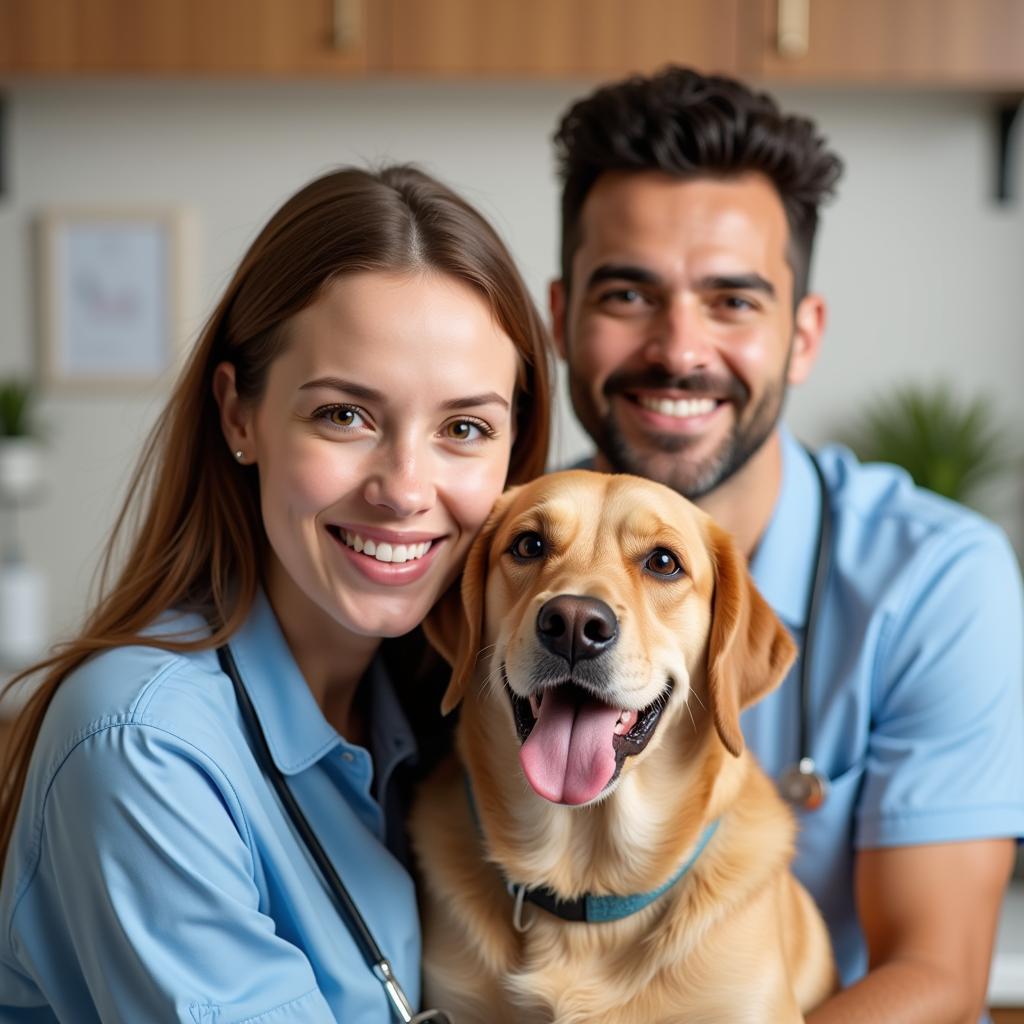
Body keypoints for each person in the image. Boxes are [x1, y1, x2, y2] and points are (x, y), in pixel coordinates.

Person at [0, 164, 552, 1022]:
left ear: (514, 456)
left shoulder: (448, 710)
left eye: (464, 428)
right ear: (239, 416)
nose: (406, 489)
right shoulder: (142, 747)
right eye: (345, 416)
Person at [549, 66, 1024, 1023]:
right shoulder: (510, 568)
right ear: (562, 318)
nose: (680, 349)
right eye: (629, 294)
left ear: (802, 335)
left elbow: (938, 977)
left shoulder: (937, 581)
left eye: (732, 301)